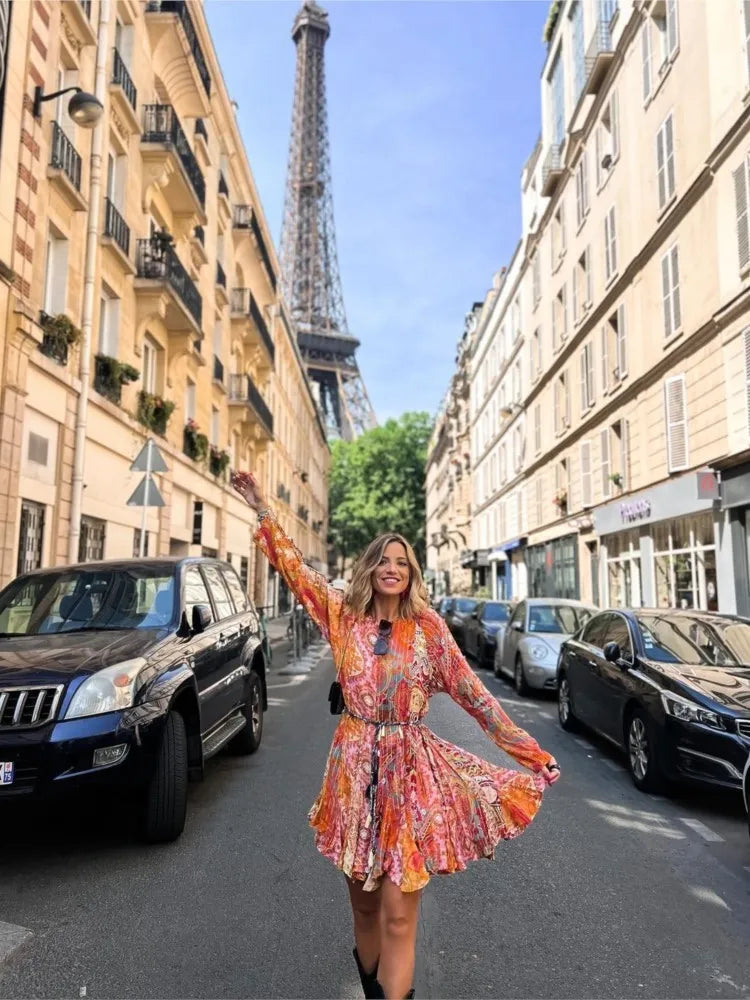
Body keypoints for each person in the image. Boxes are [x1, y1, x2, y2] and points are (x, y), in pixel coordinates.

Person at [232, 471, 560, 1000]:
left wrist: (530, 751)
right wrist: (262, 508)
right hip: (352, 771)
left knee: (400, 914)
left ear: (412, 573)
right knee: (364, 907)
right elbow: (294, 570)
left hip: (409, 776)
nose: (392, 568)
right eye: (383, 560)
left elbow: (477, 697)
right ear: (369, 568)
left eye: (402, 562)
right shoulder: (343, 615)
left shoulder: (429, 629)